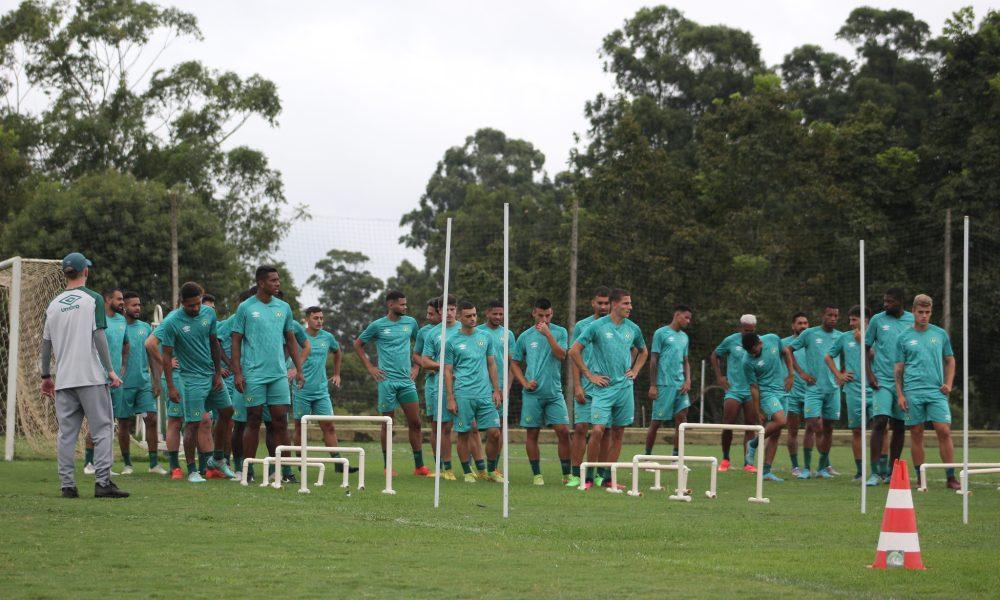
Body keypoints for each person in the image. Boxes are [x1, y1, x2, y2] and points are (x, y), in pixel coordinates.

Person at [40, 252, 128, 498]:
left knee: (66, 435)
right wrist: (110, 370)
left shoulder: (53, 304)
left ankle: (67, 486)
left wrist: (45, 375)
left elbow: (45, 344)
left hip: (64, 379)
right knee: (102, 430)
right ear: (85, 271)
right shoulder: (94, 299)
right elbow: (99, 335)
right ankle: (102, 483)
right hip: (90, 377)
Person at [231, 267, 304, 483]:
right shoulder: (245, 308)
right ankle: (248, 471)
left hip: (278, 375)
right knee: (252, 420)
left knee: (279, 421)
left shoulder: (284, 307)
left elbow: (291, 339)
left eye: (278, 280)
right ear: (261, 283)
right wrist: (237, 372)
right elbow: (235, 340)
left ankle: (279, 470)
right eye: (273, 280)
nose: (277, 283)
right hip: (253, 374)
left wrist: (299, 369)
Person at [569, 288, 647, 490]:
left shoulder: (633, 328)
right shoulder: (596, 326)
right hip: (602, 388)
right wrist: (588, 375)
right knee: (597, 431)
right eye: (626, 303)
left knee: (618, 432)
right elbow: (574, 351)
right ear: (614, 304)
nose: (630, 307)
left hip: (624, 388)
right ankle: (587, 477)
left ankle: (607, 479)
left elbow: (644, 351)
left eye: (630, 303)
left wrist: (635, 370)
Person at [159, 282, 235, 482]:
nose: (195, 308)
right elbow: (166, 356)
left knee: (227, 411)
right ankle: (192, 470)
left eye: (198, 304)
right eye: (190, 305)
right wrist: (171, 387)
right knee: (193, 423)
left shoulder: (208, 314)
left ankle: (217, 459)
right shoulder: (171, 322)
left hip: (211, 375)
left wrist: (218, 373)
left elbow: (214, 343)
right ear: (181, 302)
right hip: (190, 379)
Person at [354, 290, 427, 476]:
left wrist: (417, 368)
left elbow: (420, 346)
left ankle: (419, 467)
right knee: (388, 424)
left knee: (416, 422)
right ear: (390, 305)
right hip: (386, 382)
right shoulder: (377, 325)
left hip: (406, 381)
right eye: (401, 304)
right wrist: (370, 368)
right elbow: (358, 344)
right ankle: (388, 467)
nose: (405, 307)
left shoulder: (411, 323)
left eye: (405, 304)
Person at [895, 294, 959, 490]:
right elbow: (898, 369)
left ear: (931, 312)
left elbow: (950, 360)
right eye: (920, 312)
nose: (924, 316)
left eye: (927, 312)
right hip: (913, 391)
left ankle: (950, 477)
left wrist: (948, 383)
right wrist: (900, 394)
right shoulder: (903, 337)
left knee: (944, 431)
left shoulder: (940, 334)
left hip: (936, 391)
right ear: (913, 312)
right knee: (916, 433)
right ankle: (920, 477)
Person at [511, 298, 572, 485]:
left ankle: (566, 475)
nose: (544, 319)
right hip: (532, 394)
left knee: (562, 431)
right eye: (540, 315)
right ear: (534, 314)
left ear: (552, 314)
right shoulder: (525, 336)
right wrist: (524, 382)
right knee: (532, 433)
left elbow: (561, 355)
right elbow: (514, 362)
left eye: (548, 315)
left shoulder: (560, 332)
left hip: (554, 392)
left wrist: (548, 335)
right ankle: (537, 475)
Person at [444, 300, 504, 483]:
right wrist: (450, 398)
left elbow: (491, 364)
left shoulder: (485, 337)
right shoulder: (452, 341)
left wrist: (496, 390)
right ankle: (467, 472)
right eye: (468, 316)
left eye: (474, 315)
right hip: (463, 393)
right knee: (463, 433)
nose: (472, 319)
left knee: (495, 433)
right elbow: (447, 370)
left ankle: (492, 470)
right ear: (460, 317)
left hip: (485, 393)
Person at [293, 306, 354, 473]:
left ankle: (339, 464)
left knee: (329, 426)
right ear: (306, 319)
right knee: (300, 427)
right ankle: (300, 462)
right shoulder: (298, 336)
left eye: (321, 318)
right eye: (315, 318)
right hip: (301, 389)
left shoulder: (327, 337)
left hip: (321, 391)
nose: (319, 321)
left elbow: (337, 352)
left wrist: (337, 374)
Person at [787, 305, 842, 479]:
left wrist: (843, 374)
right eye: (829, 315)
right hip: (813, 389)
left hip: (833, 390)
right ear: (822, 315)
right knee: (812, 424)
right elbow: (788, 350)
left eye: (835, 316)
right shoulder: (810, 334)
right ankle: (805, 468)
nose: (833, 318)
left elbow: (850, 355)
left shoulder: (841, 337)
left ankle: (821, 468)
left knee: (829, 429)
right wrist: (801, 373)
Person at [565, 286, 613, 488]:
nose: (603, 306)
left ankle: (600, 474)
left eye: (606, 303)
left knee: (604, 432)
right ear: (593, 303)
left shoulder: (617, 326)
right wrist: (577, 386)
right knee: (580, 428)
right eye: (599, 303)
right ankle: (576, 474)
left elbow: (633, 350)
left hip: (608, 389)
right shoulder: (582, 326)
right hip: (586, 386)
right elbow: (575, 356)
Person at [866, 288, 912, 484]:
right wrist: (870, 374)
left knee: (899, 426)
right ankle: (875, 472)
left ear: (901, 301)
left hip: (904, 382)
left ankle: (893, 471)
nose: (885, 305)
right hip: (882, 381)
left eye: (890, 301)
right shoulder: (877, 320)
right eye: (884, 301)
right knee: (880, 421)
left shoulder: (912, 320)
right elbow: (866, 348)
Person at [826, 306, 876, 481]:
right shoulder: (844, 337)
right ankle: (860, 472)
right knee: (857, 431)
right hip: (854, 391)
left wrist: (863, 341)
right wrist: (839, 374)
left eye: (854, 320)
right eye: (850, 320)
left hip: (875, 390)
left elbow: (876, 356)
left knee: (881, 430)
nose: (851, 323)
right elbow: (828, 357)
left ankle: (881, 471)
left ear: (865, 320)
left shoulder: (875, 335)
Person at [83, 289, 129, 474]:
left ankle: (103, 465)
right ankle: (88, 463)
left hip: (115, 380)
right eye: (119, 299)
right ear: (108, 299)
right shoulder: (96, 319)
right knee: (98, 422)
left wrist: (122, 368)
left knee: (110, 423)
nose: (122, 302)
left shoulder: (122, 320)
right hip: (97, 378)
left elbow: (126, 345)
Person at [121, 291, 164, 474]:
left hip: (144, 383)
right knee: (123, 423)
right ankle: (127, 464)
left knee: (151, 419)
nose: (138, 308)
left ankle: (153, 464)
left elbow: (153, 357)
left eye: (139, 304)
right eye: (134, 305)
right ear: (124, 307)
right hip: (122, 385)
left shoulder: (146, 328)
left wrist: (156, 380)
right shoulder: (116, 326)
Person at [741, 332, 794, 481]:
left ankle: (766, 471)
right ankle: (753, 443)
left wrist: (791, 374)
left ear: (760, 343)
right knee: (781, 421)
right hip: (767, 393)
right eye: (749, 352)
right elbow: (753, 387)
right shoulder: (747, 362)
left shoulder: (773, 339)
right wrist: (758, 411)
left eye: (755, 351)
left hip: (782, 390)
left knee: (777, 432)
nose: (753, 354)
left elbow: (786, 353)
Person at [711, 314, 758, 472]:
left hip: (751, 390)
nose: (748, 333)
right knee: (728, 425)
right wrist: (720, 376)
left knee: (751, 426)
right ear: (740, 328)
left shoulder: (759, 342)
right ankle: (725, 459)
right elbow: (715, 355)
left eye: (751, 331)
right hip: (734, 390)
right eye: (746, 330)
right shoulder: (731, 340)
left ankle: (748, 462)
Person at [420, 295, 460, 480]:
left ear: (456, 310)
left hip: (466, 386)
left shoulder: (465, 329)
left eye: (452, 309)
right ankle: (445, 468)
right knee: (442, 427)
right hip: (440, 386)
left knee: (471, 427)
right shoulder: (433, 333)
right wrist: (442, 366)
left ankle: (473, 469)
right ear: (439, 312)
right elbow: (424, 361)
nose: (449, 313)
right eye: (445, 310)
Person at [644, 305, 693, 458]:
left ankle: (676, 457)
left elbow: (686, 361)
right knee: (656, 422)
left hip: (680, 385)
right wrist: (653, 385)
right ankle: (647, 456)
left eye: (690, 318)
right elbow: (653, 360)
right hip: (663, 384)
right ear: (677, 315)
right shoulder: (661, 333)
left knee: (682, 420)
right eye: (686, 317)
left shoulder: (685, 337)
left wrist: (688, 380)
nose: (688, 321)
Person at [782, 312, 814, 477]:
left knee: (813, 427)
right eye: (800, 323)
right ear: (793, 326)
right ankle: (795, 466)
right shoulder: (784, 344)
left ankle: (811, 466)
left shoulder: (813, 340)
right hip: (792, 393)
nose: (803, 326)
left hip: (811, 391)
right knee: (792, 431)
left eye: (806, 323)